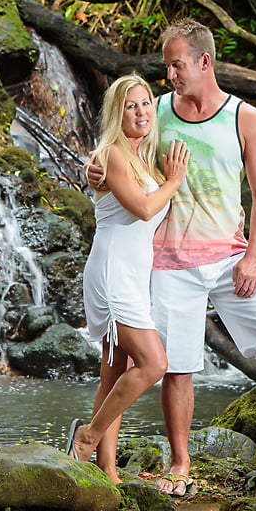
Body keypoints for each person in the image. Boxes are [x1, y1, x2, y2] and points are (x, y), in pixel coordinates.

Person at [85, 19, 256, 497]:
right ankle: (179, 465)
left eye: (176, 64)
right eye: (166, 65)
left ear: (204, 62)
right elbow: (120, 146)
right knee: (179, 366)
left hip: (232, 256)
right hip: (168, 261)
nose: (168, 74)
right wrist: (94, 167)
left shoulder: (245, 118)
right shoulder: (156, 111)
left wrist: (253, 257)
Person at [64, 73, 188, 483]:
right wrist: (173, 181)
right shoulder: (113, 154)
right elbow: (144, 209)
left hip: (134, 274)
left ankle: (107, 471)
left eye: (146, 103)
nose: (141, 112)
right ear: (118, 113)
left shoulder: (144, 157)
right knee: (154, 363)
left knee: (116, 370)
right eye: (131, 105)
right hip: (113, 271)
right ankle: (87, 437)